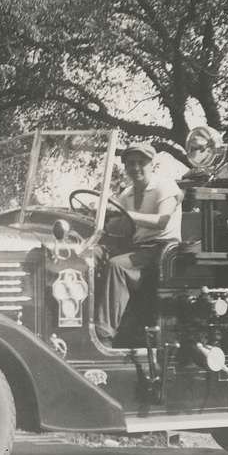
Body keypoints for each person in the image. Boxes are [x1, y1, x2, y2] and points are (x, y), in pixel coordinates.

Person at [92, 142, 183, 341]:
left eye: (141, 162)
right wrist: (101, 221)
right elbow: (121, 227)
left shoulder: (165, 186)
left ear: (152, 165)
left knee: (118, 265)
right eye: (130, 163)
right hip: (138, 249)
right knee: (93, 255)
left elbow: (162, 221)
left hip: (162, 252)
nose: (135, 168)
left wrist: (128, 216)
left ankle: (104, 332)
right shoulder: (127, 194)